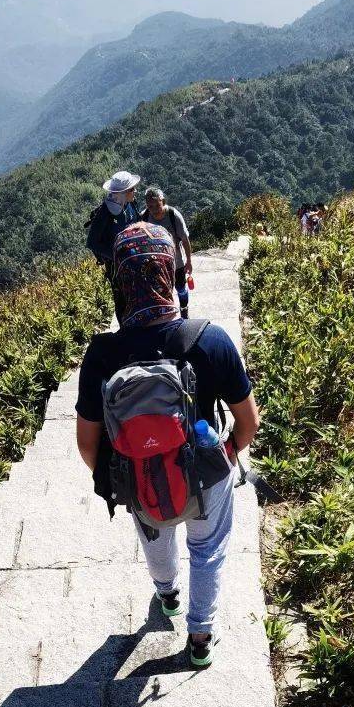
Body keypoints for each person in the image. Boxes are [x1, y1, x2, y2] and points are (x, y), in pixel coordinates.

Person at [75, 222, 260, 669]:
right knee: (208, 547)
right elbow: (248, 423)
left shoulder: (101, 356)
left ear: (120, 281)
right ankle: (200, 637)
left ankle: (168, 597)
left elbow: (87, 447)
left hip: (140, 473)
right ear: (169, 271)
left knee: (157, 534)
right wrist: (226, 455)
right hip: (205, 469)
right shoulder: (210, 339)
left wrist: (129, 464)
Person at [85, 171, 141, 318]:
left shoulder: (130, 204)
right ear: (123, 193)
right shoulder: (105, 212)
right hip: (116, 266)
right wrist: (116, 255)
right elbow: (92, 242)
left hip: (134, 260)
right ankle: (125, 334)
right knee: (122, 300)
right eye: (131, 189)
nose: (135, 191)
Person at [143, 186, 194, 317]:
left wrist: (189, 261)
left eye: (157, 205)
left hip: (177, 263)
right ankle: (167, 317)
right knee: (162, 291)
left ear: (163, 202)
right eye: (150, 206)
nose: (154, 210)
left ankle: (184, 310)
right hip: (156, 265)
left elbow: (185, 239)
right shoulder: (144, 217)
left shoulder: (173, 215)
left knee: (181, 288)